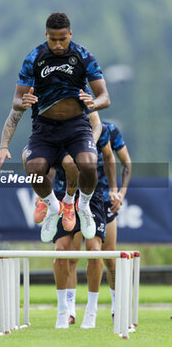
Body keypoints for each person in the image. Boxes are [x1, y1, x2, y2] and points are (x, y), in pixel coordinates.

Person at [0, 12, 110, 243]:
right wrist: (22, 103)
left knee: (88, 163)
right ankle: (53, 208)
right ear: (46, 35)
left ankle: (83, 207)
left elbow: (105, 96)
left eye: (62, 39)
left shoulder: (84, 55)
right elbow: (17, 101)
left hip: (76, 125)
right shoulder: (34, 57)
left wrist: (94, 103)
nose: (58, 44)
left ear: (70, 35)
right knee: (34, 169)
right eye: (53, 39)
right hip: (45, 128)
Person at [52, 123, 121, 329]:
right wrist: (44, 198)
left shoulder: (99, 126)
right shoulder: (53, 124)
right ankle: (65, 310)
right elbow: (45, 165)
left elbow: (112, 157)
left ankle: (92, 310)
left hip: (93, 195)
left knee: (96, 250)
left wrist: (116, 189)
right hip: (63, 194)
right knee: (64, 252)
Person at [66, 121, 132, 324]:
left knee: (107, 257)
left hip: (102, 200)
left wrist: (119, 193)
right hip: (74, 198)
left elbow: (126, 163)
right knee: (70, 256)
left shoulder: (108, 130)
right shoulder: (66, 126)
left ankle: (115, 306)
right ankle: (69, 310)